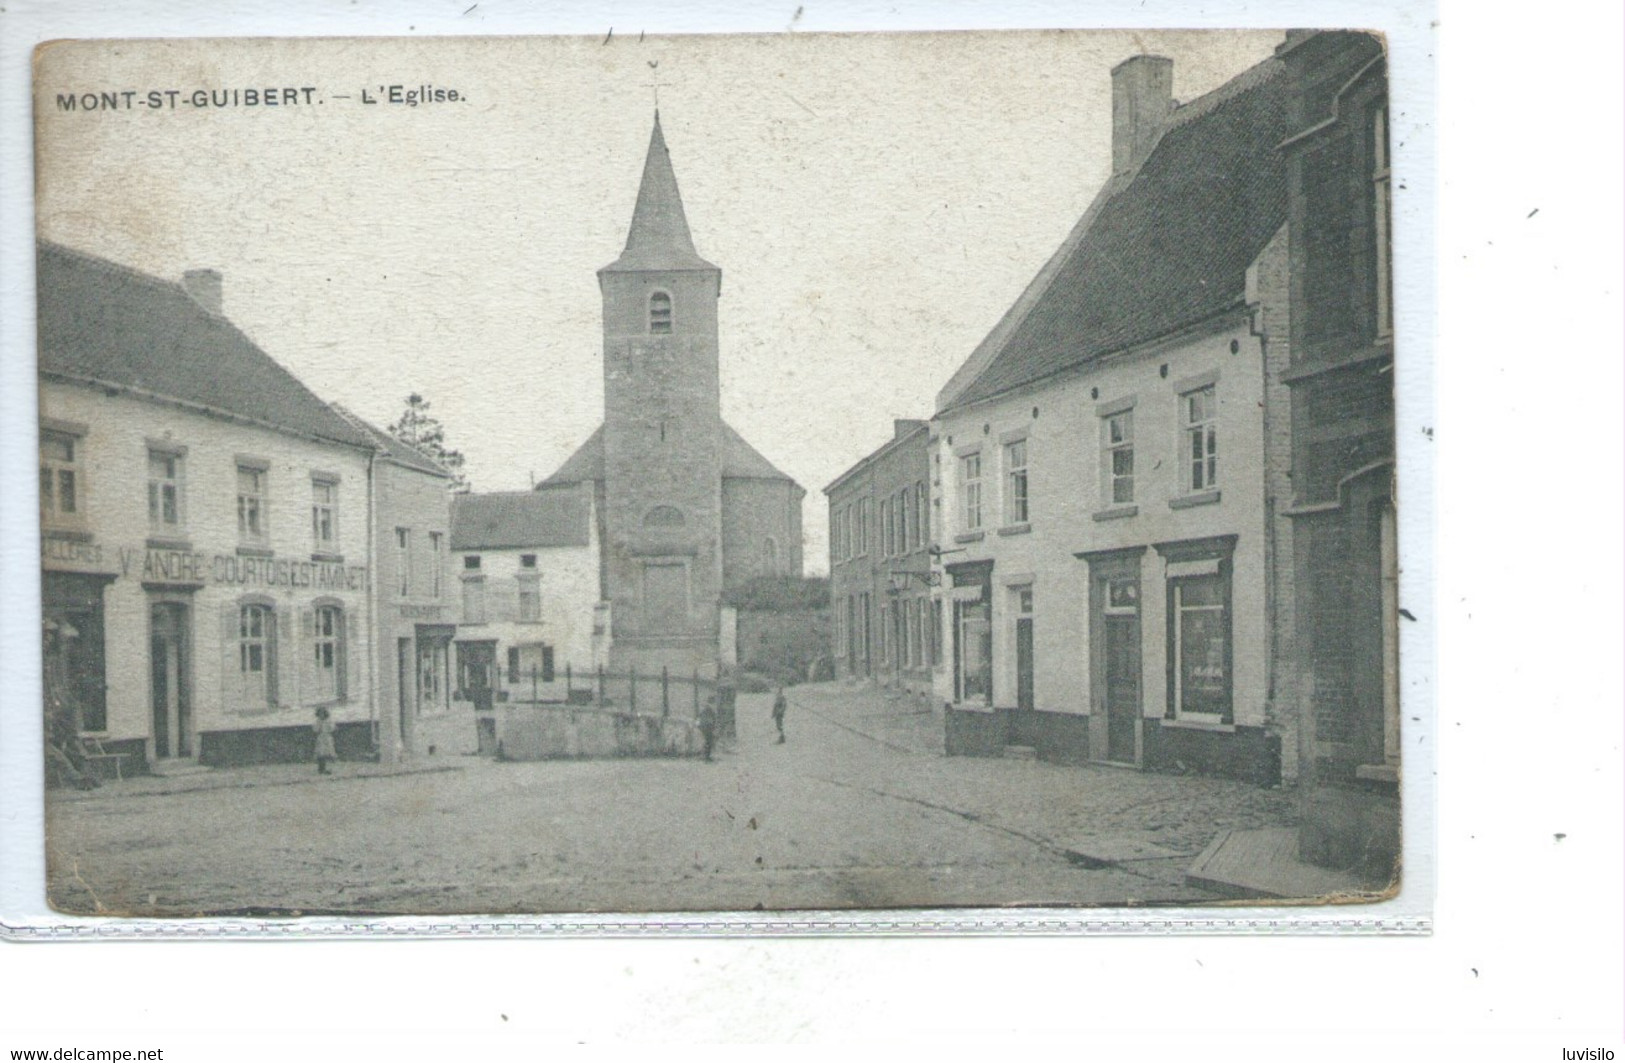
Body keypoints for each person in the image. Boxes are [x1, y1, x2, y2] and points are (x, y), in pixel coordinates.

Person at [313, 706, 336, 774]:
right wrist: (318, 726)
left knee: (328, 753)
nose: (321, 715)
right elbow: (315, 729)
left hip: (327, 738)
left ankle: (327, 768)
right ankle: (321, 768)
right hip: (321, 738)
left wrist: (329, 727)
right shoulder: (318, 721)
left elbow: (332, 728)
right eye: (320, 714)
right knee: (320, 753)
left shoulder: (329, 720)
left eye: (322, 714)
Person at [698, 697, 717, 763]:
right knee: (708, 742)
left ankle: (706, 756)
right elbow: (711, 719)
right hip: (707, 728)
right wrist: (712, 726)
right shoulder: (709, 709)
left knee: (707, 742)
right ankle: (706, 756)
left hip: (706, 727)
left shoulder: (706, 709)